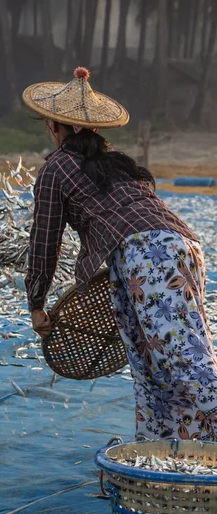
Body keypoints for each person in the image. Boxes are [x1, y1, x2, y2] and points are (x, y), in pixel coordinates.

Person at [22, 66, 217, 442]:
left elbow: (44, 241)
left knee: (183, 363)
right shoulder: (116, 163)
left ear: (54, 127)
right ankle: (171, 453)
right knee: (154, 362)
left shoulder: (56, 168)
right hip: (180, 247)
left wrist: (36, 303)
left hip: (147, 257)